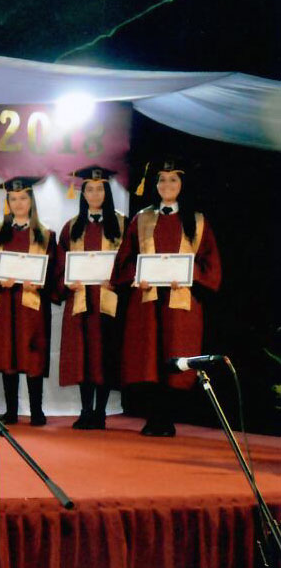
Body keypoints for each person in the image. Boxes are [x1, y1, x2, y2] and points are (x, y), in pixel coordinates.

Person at [112, 157, 221, 437]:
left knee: (174, 356)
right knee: (148, 357)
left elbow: (211, 266)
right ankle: (153, 417)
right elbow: (124, 261)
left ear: (182, 184)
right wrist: (137, 275)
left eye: (173, 180)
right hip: (147, 300)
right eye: (161, 179)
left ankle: (167, 417)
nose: (167, 185)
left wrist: (188, 274)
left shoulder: (197, 221)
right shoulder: (142, 218)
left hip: (180, 300)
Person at [54, 165, 125, 429]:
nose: (95, 194)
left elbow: (130, 261)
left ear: (107, 192)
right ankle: (85, 410)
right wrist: (67, 282)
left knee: (104, 355)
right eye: (90, 190)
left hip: (108, 300)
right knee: (83, 356)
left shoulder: (122, 224)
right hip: (81, 300)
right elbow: (59, 264)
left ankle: (101, 412)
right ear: (82, 194)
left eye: (100, 189)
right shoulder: (72, 227)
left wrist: (117, 280)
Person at [0, 177, 58, 426]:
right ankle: (11, 411)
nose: (18, 203)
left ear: (31, 201)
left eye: (23, 198)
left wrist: (40, 283)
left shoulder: (46, 235)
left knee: (33, 354)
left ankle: (36, 410)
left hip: (32, 305)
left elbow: (54, 271)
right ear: (7, 202)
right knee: (8, 355)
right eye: (13, 199)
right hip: (4, 303)